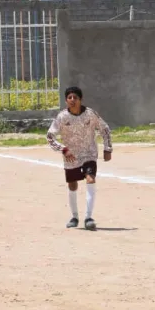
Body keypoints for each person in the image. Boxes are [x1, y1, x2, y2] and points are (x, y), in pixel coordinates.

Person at [47, 86, 112, 230]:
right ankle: (75, 216)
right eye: (69, 98)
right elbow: (50, 137)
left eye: (75, 97)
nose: (72, 100)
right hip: (71, 156)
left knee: (91, 178)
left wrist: (108, 149)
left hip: (89, 153)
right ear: (66, 101)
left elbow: (105, 129)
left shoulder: (90, 114)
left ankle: (88, 217)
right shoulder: (62, 117)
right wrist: (64, 149)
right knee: (72, 184)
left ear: (80, 99)